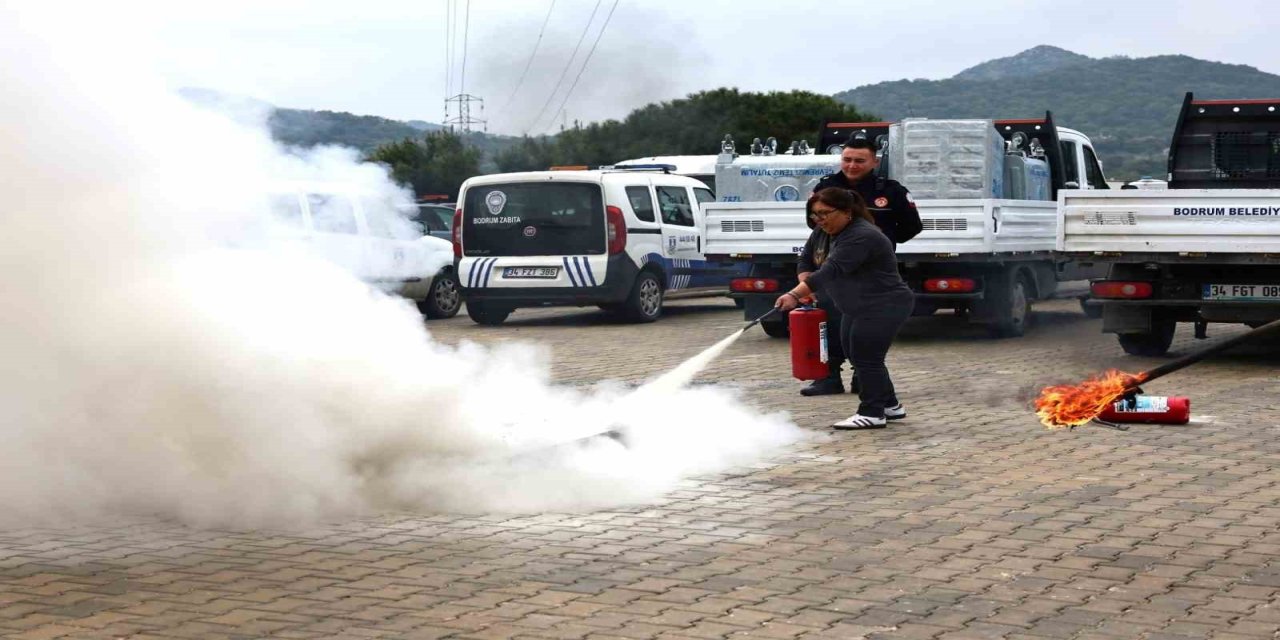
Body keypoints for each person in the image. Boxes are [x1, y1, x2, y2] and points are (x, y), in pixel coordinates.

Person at [776, 188, 915, 429]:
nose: (818, 220)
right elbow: (807, 259)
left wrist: (794, 294)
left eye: (824, 214)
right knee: (856, 353)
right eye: (814, 215)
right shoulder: (824, 231)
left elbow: (832, 269)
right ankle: (890, 406)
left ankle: (872, 412)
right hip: (856, 306)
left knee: (866, 356)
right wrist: (804, 282)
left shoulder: (861, 236)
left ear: (846, 212)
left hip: (883, 304)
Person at [795, 137, 922, 396]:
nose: (852, 165)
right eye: (847, 159)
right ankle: (828, 377)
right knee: (829, 325)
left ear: (874, 162)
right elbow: (814, 228)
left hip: (869, 276)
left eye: (859, 160)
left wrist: (879, 243)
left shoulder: (890, 190)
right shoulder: (826, 187)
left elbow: (912, 226)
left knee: (862, 334)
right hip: (831, 272)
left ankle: (863, 378)